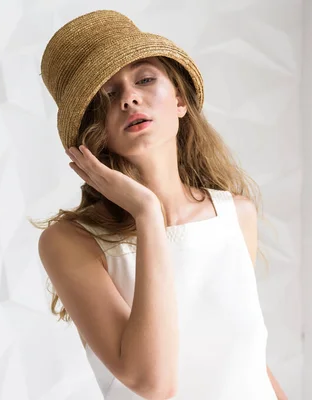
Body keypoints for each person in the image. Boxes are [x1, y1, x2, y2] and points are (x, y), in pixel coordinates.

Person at [33, 9, 288, 400]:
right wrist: (147, 214)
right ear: (91, 129)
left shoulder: (235, 215)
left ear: (181, 100)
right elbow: (154, 384)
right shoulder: (70, 242)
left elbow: (248, 363)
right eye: (108, 94)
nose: (130, 97)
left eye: (145, 79)